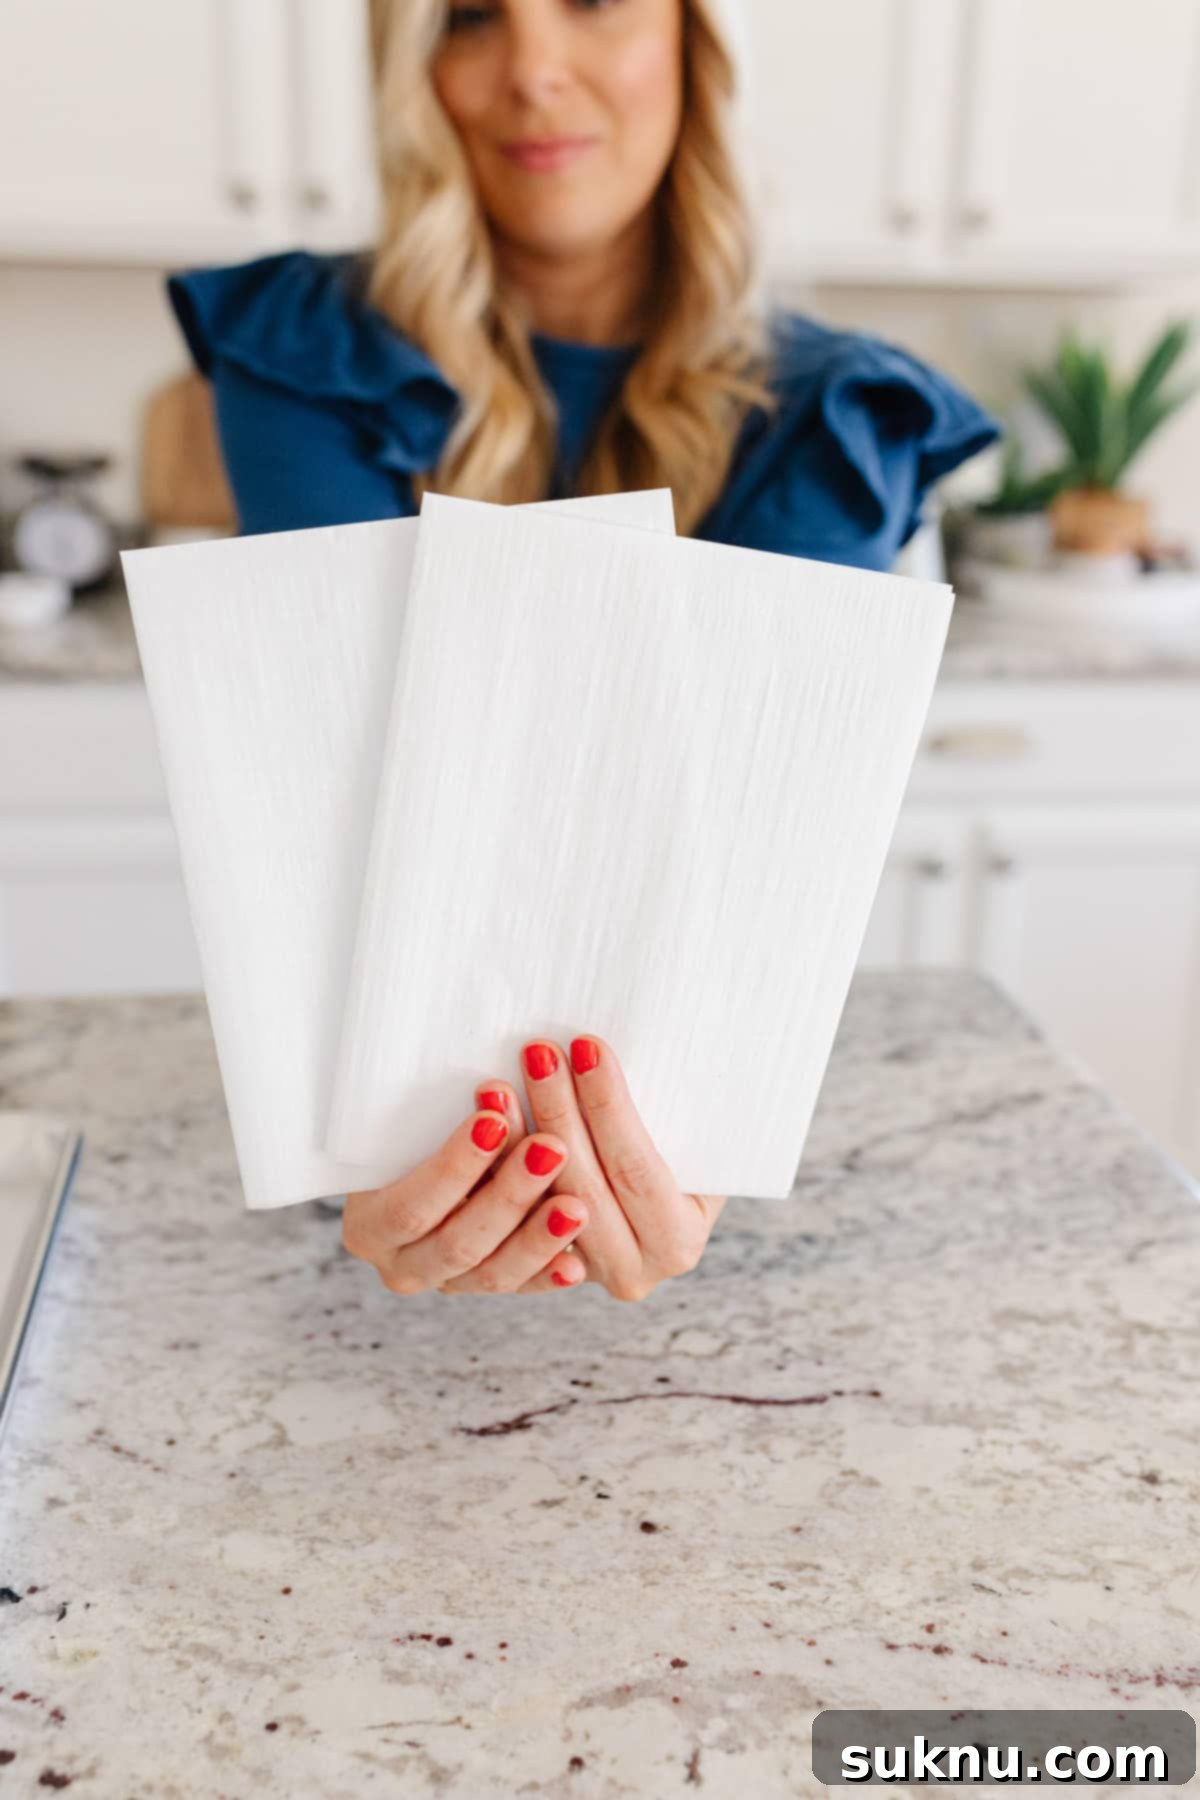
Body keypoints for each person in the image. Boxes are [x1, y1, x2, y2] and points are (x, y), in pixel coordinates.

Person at [165, 0, 1001, 1303]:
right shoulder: (303, 355)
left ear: (695, 42)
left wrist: (681, 1159)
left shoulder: (839, 415)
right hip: (357, 1198)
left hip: (705, 1222)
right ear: (413, 68)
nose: (532, 72)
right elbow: (326, 827)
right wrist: (375, 1158)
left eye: (594, 1)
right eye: (470, 16)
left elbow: (741, 899)